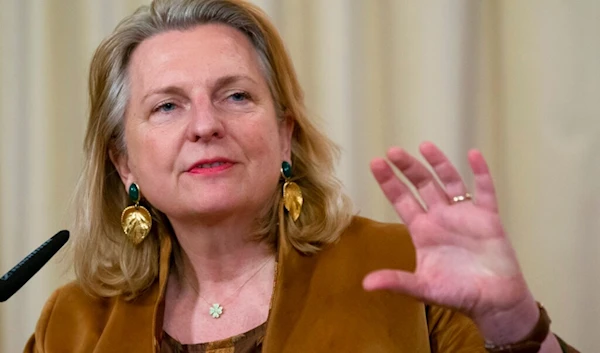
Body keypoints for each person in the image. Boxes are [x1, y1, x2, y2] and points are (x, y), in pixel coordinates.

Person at [24, 0, 578, 352]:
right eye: (167, 106)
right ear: (125, 163)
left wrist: (513, 328)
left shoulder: (403, 269)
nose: (206, 125)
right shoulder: (73, 322)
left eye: (235, 95)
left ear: (285, 135)